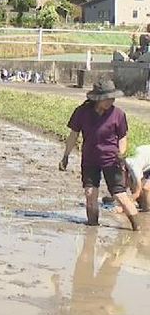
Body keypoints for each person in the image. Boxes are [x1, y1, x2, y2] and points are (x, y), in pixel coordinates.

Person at [60, 80, 140, 230]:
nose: (112, 101)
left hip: (112, 160)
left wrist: (121, 154)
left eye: (113, 98)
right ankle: (92, 228)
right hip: (90, 160)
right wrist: (65, 156)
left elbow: (122, 137)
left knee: (120, 195)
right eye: (108, 98)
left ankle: (137, 228)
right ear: (97, 98)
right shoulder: (82, 112)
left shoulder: (118, 114)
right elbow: (73, 135)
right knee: (90, 193)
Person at [123, 144, 150, 212]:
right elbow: (125, 184)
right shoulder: (125, 164)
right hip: (146, 161)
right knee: (135, 186)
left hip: (144, 162)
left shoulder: (133, 166)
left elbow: (137, 193)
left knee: (145, 188)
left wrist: (125, 206)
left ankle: (146, 210)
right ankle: (143, 206)